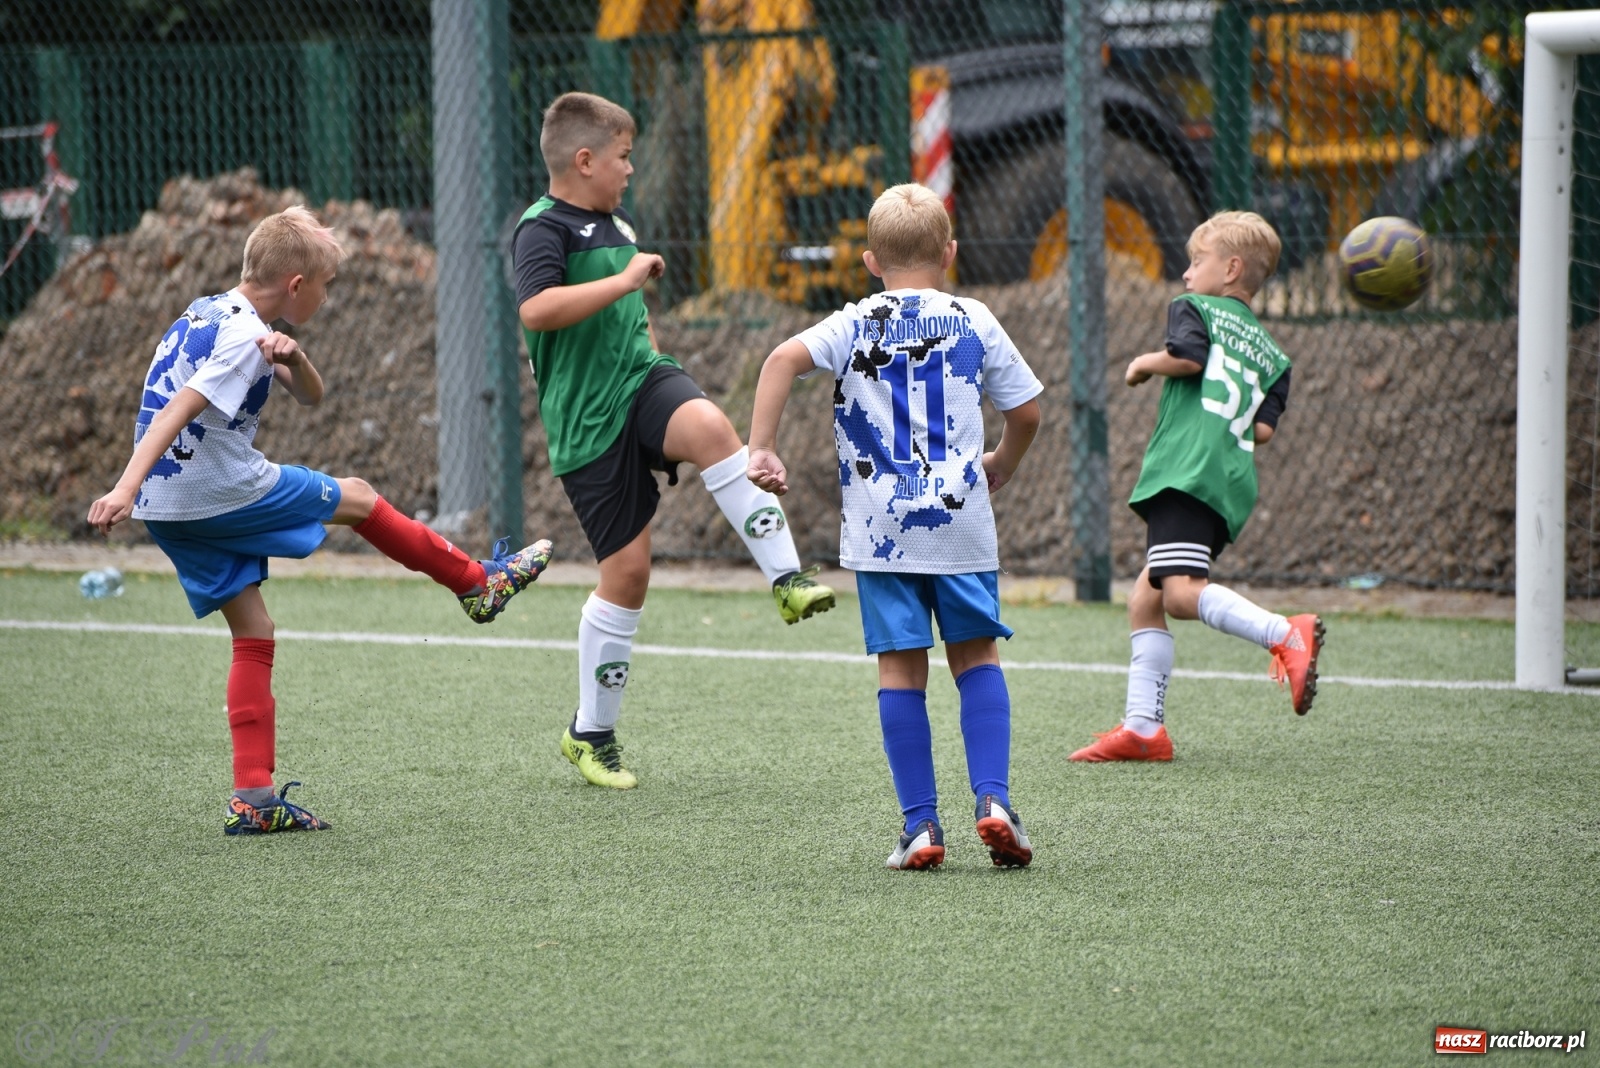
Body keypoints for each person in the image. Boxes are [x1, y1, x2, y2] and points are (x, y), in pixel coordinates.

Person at [87, 205, 552, 834]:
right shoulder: (241, 338)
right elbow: (178, 409)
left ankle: (254, 800)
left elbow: (311, 396)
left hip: (167, 507)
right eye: (326, 286)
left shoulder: (213, 312)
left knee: (254, 628)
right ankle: (477, 584)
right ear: (296, 285)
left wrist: (295, 357)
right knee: (357, 496)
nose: (328, 298)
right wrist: (122, 486)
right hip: (213, 489)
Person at [512, 90, 837, 791]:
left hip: (641, 381)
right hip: (585, 423)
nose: (631, 169)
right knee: (628, 575)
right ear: (585, 160)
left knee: (712, 426)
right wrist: (625, 278)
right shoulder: (542, 228)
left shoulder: (618, 226)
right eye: (624, 157)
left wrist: (653, 352)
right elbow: (537, 309)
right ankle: (590, 734)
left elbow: (631, 316)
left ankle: (788, 579)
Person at [747, 183, 1043, 870]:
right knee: (977, 660)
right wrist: (1002, 463)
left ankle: (921, 827)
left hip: (883, 534)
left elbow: (780, 360)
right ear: (950, 252)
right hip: (961, 526)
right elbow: (1027, 411)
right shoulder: (973, 318)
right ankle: (995, 802)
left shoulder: (853, 323)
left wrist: (761, 447)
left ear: (871, 262)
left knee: (901, 671)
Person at [1069, 210, 1323, 764]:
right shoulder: (1275, 356)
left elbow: (1187, 358)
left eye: (1196, 261)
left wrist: (1142, 364)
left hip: (1186, 470)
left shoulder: (1195, 308)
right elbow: (1262, 431)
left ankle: (1285, 633)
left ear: (1230, 269)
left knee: (1181, 595)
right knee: (1147, 597)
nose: (1186, 274)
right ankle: (1143, 728)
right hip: (1228, 478)